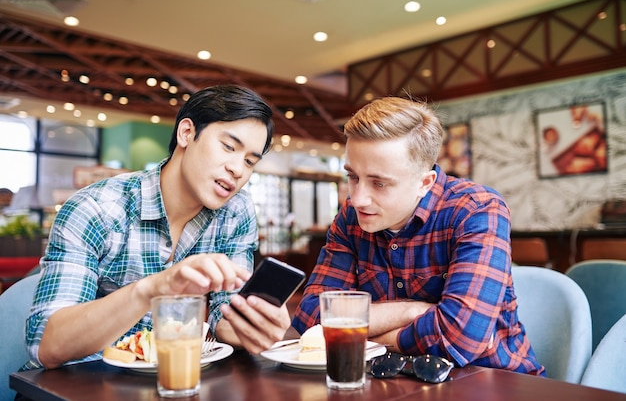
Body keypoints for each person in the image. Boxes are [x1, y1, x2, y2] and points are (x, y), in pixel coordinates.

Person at [24, 84, 291, 370]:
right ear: (186, 133)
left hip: (168, 381)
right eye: (228, 147)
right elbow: (47, 345)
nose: (238, 169)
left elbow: (225, 314)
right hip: (77, 384)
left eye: (250, 161)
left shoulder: (235, 212)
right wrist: (149, 290)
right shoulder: (96, 208)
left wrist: (252, 325)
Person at [292, 96, 545, 376]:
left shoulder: (476, 209)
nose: (358, 198)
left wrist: (359, 334)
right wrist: (410, 311)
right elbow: (312, 318)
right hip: (394, 381)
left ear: (425, 183)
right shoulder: (350, 218)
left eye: (379, 183)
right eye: (353, 177)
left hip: (493, 381)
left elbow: (461, 336)